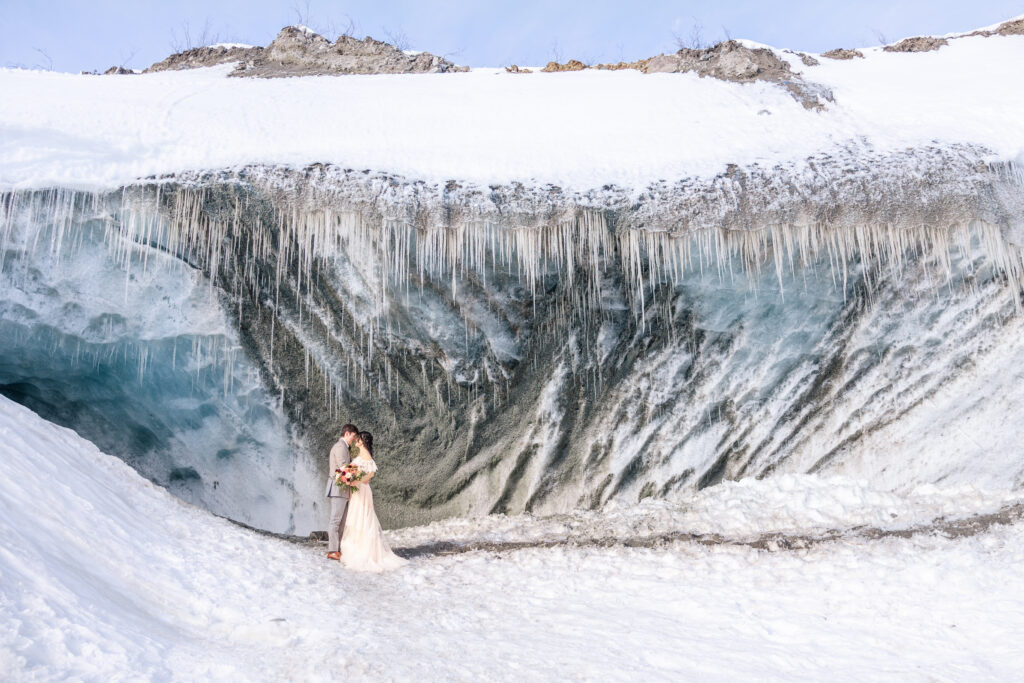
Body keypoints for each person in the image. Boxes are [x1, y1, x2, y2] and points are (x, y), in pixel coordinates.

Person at [339, 431, 408, 572]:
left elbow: (369, 477)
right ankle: (356, 547)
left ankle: (367, 551)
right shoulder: (359, 456)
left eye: (358, 439)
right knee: (355, 518)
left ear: (363, 441)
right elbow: (353, 471)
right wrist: (346, 477)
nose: (356, 441)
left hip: (363, 491)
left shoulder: (367, 457)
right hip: (357, 491)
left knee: (364, 518)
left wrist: (354, 481)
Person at [325, 424, 359, 561]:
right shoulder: (340, 447)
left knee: (342, 522)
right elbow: (344, 468)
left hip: (344, 489)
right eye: (353, 436)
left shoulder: (345, 447)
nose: (354, 439)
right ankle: (332, 550)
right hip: (338, 488)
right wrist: (356, 477)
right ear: (346, 433)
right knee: (335, 520)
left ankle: (338, 549)